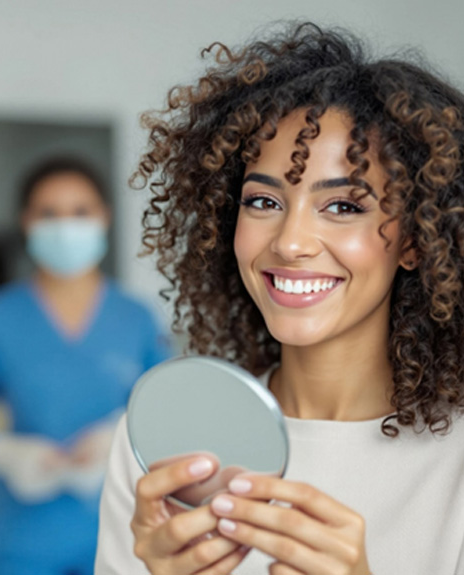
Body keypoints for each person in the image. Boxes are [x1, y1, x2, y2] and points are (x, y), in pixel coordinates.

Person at [95, 22, 464, 575]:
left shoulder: (453, 461)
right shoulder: (164, 446)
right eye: (264, 200)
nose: (289, 243)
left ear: (414, 240)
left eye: (343, 207)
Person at [0, 157, 171, 575]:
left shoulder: (136, 318)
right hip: (20, 542)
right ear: (26, 221)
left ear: (104, 216)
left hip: (121, 533)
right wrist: (1, 452)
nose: (65, 225)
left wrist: (116, 435)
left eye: (80, 212)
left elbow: (168, 408)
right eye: (49, 213)